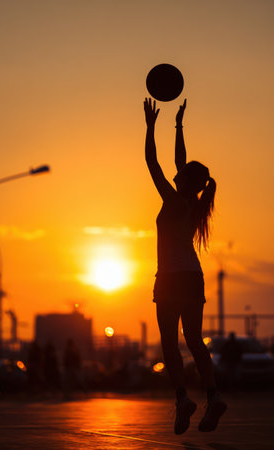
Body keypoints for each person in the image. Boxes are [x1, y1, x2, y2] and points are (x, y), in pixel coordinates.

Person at [144, 97, 227, 434]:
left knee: (169, 343)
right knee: (195, 341)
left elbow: (154, 163)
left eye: (181, 173)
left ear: (185, 180)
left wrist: (150, 128)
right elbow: (180, 162)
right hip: (193, 277)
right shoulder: (194, 202)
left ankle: (182, 399)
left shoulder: (174, 199)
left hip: (171, 278)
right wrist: (178, 126)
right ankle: (213, 395)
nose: (176, 173)